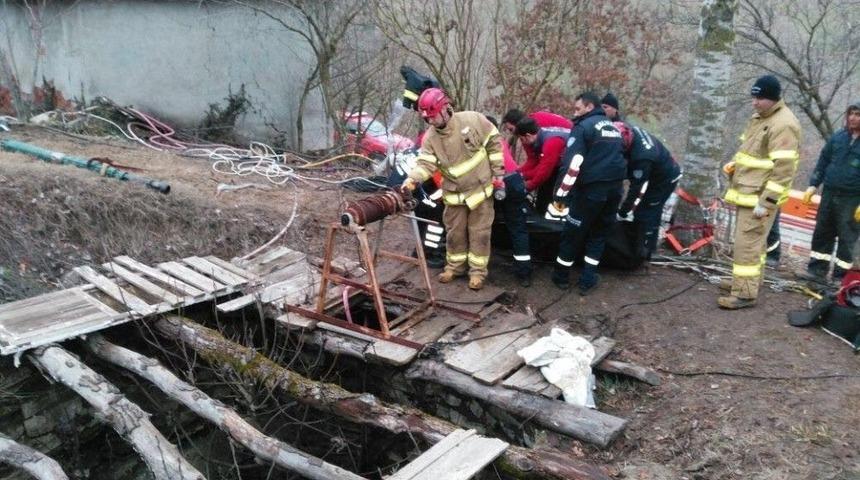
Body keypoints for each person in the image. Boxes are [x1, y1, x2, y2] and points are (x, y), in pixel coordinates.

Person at [401, 88, 505, 290]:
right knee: (454, 235)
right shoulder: (430, 138)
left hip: (480, 192)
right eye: (427, 119)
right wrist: (412, 179)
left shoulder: (472, 120)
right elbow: (425, 164)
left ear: (445, 108)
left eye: (433, 116)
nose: (431, 121)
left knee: (480, 234)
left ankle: (477, 273)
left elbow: (494, 141)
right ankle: (455, 268)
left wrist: (498, 171)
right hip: (454, 195)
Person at [719, 75, 801, 309]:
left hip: (759, 197)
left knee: (747, 245)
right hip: (747, 190)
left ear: (773, 98)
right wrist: (735, 166)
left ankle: (744, 293)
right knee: (753, 243)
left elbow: (783, 170)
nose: (754, 102)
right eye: (753, 97)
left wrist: (766, 203)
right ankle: (747, 282)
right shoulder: (761, 117)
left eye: (760, 98)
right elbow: (752, 152)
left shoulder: (783, 124)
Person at [546, 92, 627, 294]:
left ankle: (561, 277)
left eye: (578, 108)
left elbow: (572, 163)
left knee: (572, 233)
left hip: (591, 191)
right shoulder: (613, 128)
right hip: (615, 190)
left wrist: (560, 194)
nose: (575, 113)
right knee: (599, 234)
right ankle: (588, 278)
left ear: (589, 107)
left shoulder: (583, 128)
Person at [799, 101, 860, 281]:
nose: (852, 118)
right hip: (829, 193)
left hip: (852, 199)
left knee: (847, 237)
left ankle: (840, 278)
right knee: (822, 232)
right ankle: (816, 271)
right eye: (851, 113)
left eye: (857, 114)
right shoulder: (838, 137)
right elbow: (823, 161)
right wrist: (813, 184)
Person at [614, 121, 682, 260]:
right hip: (659, 166)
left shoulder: (642, 157)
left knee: (646, 212)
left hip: (665, 178)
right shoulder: (631, 131)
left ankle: (645, 250)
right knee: (652, 211)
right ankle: (649, 248)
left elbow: (636, 188)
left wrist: (623, 212)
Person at [487, 115, 533, 287]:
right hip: (515, 181)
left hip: (503, 184)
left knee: (482, 223)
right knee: (518, 229)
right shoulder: (500, 140)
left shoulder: (484, 143)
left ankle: (480, 265)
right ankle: (524, 273)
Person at [513, 117, 571, 212]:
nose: (523, 143)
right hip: (565, 164)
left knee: (551, 194)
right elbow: (536, 165)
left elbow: (544, 171)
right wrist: (517, 174)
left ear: (528, 136)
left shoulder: (551, 142)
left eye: (522, 139)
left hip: (576, 169)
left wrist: (528, 186)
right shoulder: (542, 135)